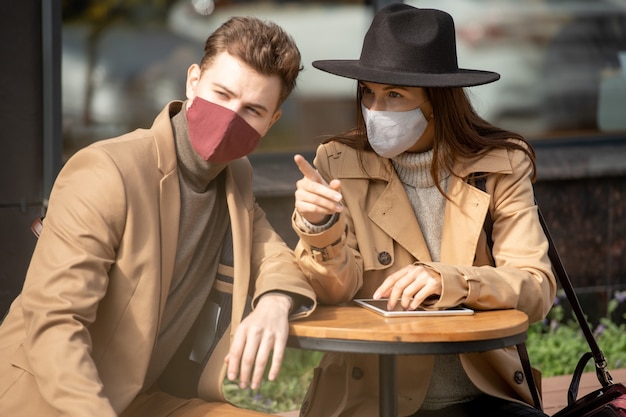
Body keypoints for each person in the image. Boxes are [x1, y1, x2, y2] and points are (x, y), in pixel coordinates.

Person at [0, 16, 316, 417]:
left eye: (252, 109)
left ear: (271, 122)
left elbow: (271, 252)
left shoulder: (235, 174)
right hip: (49, 399)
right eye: (222, 94)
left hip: (137, 398)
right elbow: (55, 324)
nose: (231, 117)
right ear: (193, 81)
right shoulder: (107, 171)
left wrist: (274, 301)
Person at [292, 4, 555, 417]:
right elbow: (331, 292)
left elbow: (536, 288)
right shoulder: (338, 162)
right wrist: (319, 227)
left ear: (437, 100)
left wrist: (448, 280)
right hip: (372, 400)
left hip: (480, 397)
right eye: (368, 92)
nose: (375, 109)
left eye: (394, 94)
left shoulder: (500, 163)